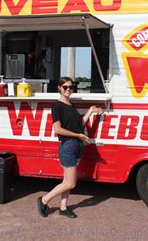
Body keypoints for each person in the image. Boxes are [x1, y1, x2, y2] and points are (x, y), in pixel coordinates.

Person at [37, 76, 102, 218]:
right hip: (68, 146)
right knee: (71, 183)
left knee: (66, 181)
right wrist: (78, 136)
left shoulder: (71, 106)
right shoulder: (57, 106)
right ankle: (44, 199)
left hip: (77, 145)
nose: (68, 90)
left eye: (71, 87)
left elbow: (79, 125)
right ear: (59, 88)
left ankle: (63, 207)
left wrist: (90, 112)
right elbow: (58, 129)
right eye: (65, 87)